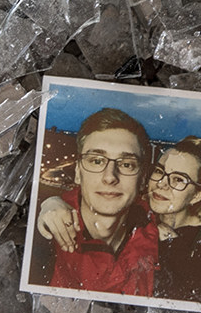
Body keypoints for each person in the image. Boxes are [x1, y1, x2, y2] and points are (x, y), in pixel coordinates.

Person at [40, 137, 201, 309]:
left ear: (199, 194)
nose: (163, 184)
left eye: (179, 179)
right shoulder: (137, 215)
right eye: (159, 172)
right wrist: (52, 203)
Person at [30, 107, 158, 299]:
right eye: (96, 161)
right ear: (77, 173)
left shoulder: (157, 231)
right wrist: (45, 203)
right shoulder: (43, 240)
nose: (110, 177)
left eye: (126, 164)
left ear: (142, 179)